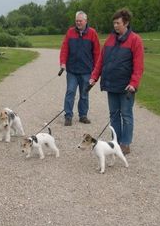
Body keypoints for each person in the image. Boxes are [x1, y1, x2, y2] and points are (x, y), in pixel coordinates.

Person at [89, 9, 144, 154]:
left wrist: (134, 83)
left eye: (118, 23)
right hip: (111, 84)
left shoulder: (135, 40)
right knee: (113, 114)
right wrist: (94, 77)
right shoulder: (110, 39)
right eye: (114, 23)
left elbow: (138, 66)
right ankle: (116, 142)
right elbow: (101, 60)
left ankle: (125, 143)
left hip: (126, 87)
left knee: (126, 115)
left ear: (126, 23)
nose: (115, 25)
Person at [59, 11, 100, 126]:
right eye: (77, 21)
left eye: (80, 21)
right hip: (72, 70)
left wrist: (96, 70)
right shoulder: (70, 32)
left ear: (86, 21)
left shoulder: (92, 33)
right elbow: (64, 49)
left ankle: (83, 115)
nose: (78, 23)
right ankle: (68, 115)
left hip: (87, 71)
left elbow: (97, 52)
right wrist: (63, 62)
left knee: (84, 94)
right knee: (70, 92)